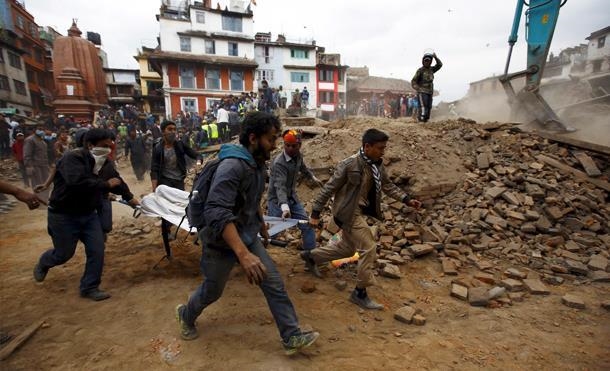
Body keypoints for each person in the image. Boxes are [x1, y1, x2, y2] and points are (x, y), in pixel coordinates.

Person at [175, 112, 319, 355]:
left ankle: (291, 336)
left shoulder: (256, 163)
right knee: (213, 291)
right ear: (253, 138)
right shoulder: (233, 166)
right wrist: (243, 255)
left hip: (247, 234)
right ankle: (186, 314)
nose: (275, 146)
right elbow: (217, 212)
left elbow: (249, 200)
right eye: (271, 139)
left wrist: (260, 224)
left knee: (273, 282)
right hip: (221, 241)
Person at [301, 129, 422, 310]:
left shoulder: (377, 165)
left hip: (358, 210)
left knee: (347, 249)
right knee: (369, 246)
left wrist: (406, 199)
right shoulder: (349, 165)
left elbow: (388, 186)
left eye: (384, 148)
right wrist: (315, 213)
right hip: (347, 213)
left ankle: (311, 257)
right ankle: (360, 293)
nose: (383, 152)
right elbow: (328, 189)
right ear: (367, 146)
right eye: (380, 148)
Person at [33, 128, 122, 301]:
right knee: (63, 254)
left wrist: (133, 200)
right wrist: (105, 185)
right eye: (105, 146)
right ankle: (44, 262)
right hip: (63, 215)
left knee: (97, 250)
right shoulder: (72, 158)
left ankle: (89, 287)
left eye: (110, 146)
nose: (108, 149)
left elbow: (118, 182)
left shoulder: (104, 162)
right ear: (90, 145)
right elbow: (77, 182)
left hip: (88, 214)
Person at [267, 129, 322, 252]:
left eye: (294, 146)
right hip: (277, 201)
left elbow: (303, 168)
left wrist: (313, 177)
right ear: (284, 144)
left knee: (307, 225)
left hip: (292, 197)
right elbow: (279, 187)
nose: (290, 148)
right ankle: (256, 252)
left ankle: (310, 257)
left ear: (299, 145)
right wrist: (285, 208)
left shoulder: (298, 156)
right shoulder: (279, 163)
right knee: (274, 232)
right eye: (287, 145)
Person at [150, 120, 198, 257]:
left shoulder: (180, 145)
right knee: (167, 208)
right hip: (164, 182)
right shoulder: (158, 148)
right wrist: (155, 188)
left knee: (182, 204)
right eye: (169, 129)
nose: (172, 132)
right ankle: (167, 230)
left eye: (174, 129)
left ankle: (190, 226)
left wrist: (199, 161)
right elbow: (154, 168)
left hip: (178, 180)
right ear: (163, 131)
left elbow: (194, 154)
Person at [411, 52, 442, 123]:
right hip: (422, 91)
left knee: (429, 106)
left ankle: (426, 119)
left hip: (430, 91)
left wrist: (436, 57)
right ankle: (421, 119)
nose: (427, 62)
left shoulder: (431, 69)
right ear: (423, 61)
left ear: (431, 61)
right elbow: (413, 81)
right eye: (425, 60)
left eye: (428, 61)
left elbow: (440, 65)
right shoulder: (420, 70)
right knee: (423, 106)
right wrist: (418, 88)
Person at [23, 125, 50, 200]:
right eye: (39, 129)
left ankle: (45, 199)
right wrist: (29, 166)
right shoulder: (30, 140)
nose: (41, 130)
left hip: (44, 165)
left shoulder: (42, 140)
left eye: (42, 129)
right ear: (34, 130)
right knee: (37, 183)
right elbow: (27, 154)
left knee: (45, 183)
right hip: (35, 166)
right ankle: (39, 199)